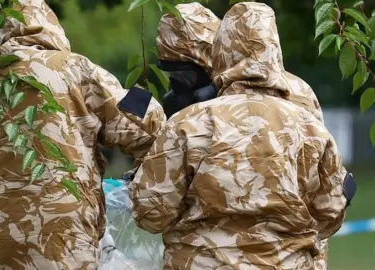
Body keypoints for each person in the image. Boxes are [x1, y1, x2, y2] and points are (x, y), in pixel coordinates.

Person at [129, 2, 356, 269]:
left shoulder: (189, 123)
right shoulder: (307, 125)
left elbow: (150, 211)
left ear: (217, 55)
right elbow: (329, 212)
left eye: (186, 75)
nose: (178, 87)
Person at [0, 0, 166, 268]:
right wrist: (147, 98)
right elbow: (142, 124)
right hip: (63, 243)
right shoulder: (71, 69)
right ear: (52, 29)